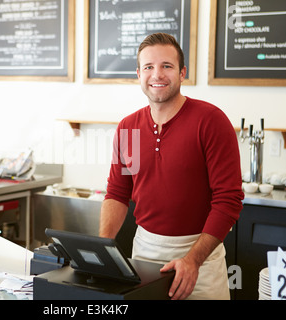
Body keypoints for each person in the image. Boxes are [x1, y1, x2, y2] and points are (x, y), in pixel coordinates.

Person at [99, 33, 244, 300]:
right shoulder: (128, 128)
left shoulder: (211, 121)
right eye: (149, 67)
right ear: (138, 74)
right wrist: (102, 247)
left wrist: (192, 260)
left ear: (182, 73)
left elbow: (229, 200)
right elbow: (118, 193)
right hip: (144, 255)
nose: (158, 74)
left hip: (201, 259)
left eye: (167, 66)